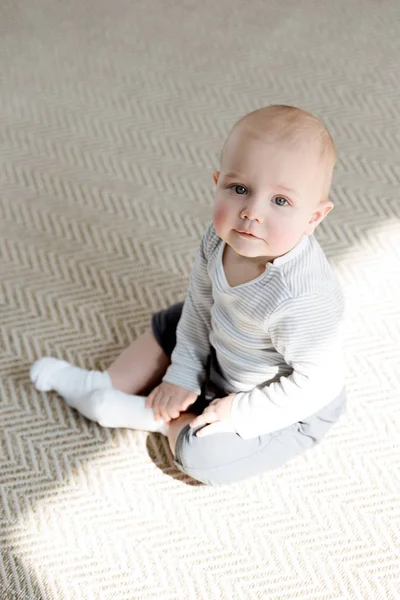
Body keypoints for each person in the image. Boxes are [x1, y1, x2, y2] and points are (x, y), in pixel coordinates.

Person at [30, 105, 347, 486]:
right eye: (240, 189)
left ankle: (149, 416)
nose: (251, 212)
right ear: (218, 182)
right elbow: (199, 307)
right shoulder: (220, 237)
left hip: (283, 399)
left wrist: (240, 412)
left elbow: (317, 384)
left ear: (314, 217)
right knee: (176, 319)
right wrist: (182, 374)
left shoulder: (301, 298)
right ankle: (102, 386)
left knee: (204, 456)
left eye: (280, 201)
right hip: (225, 341)